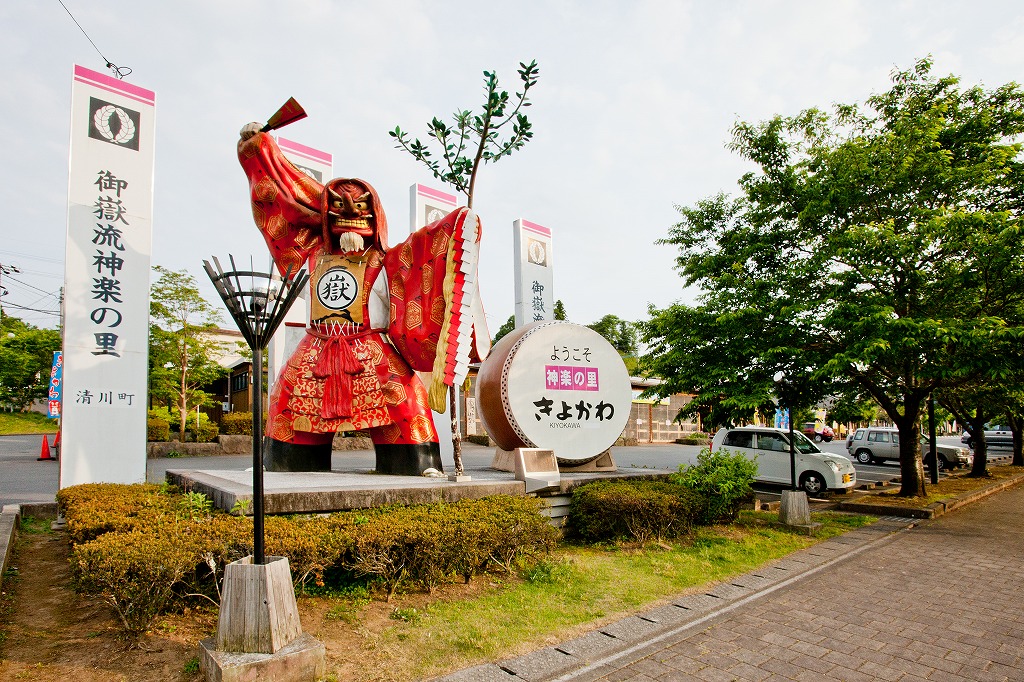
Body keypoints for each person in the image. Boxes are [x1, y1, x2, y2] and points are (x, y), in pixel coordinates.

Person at [237, 124, 488, 474]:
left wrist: (457, 230)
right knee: (287, 399)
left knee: (405, 401)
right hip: (316, 348)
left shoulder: (387, 261)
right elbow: (284, 197)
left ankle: (415, 463)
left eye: (360, 208)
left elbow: (425, 259)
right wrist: (257, 150)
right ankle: (285, 463)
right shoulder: (310, 256)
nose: (351, 215)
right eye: (340, 208)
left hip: (371, 348)